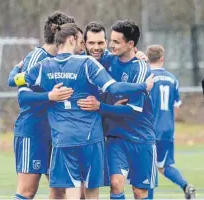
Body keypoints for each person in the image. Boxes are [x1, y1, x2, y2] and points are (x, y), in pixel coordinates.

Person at [13, 23, 154, 199]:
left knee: (69, 192)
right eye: (87, 43)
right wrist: (143, 86)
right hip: (89, 138)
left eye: (102, 43)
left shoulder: (46, 65)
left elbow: (16, 82)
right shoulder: (87, 63)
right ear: (77, 41)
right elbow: (115, 88)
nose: (96, 47)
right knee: (88, 193)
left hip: (64, 138)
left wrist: (15, 71)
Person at [77, 19, 157, 199]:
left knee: (140, 191)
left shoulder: (141, 69)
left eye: (116, 42)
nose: (110, 45)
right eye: (110, 40)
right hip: (116, 137)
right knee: (116, 184)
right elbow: (87, 53)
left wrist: (100, 107)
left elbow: (132, 110)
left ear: (130, 44)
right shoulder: (107, 59)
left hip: (141, 137)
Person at [8, 12, 75, 200]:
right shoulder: (37, 57)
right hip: (34, 131)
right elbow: (23, 97)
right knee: (27, 191)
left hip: (56, 133)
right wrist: (50, 96)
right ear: (58, 33)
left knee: (61, 191)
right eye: (72, 35)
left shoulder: (64, 59)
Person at [147, 44, 196, 199]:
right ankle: (186, 186)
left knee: (148, 167)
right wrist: (168, 123)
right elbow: (176, 107)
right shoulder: (172, 79)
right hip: (167, 129)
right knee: (164, 166)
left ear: (147, 59)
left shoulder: (145, 78)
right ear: (162, 59)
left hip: (148, 129)